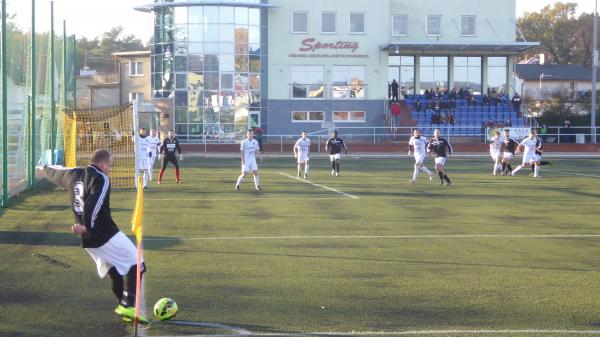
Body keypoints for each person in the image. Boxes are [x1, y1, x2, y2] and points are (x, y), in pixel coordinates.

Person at [39, 149, 148, 323]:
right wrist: (86, 225)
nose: (109, 169)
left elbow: (56, 172)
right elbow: (94, 203)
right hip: (104, 233)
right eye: (109, 165)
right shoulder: (101, 178)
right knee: (138, 263)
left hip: (88, 240)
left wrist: (44, 167)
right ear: (103, 164)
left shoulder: (74, 174)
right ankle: (128, 305)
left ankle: (123, 305)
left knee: (114, 269)